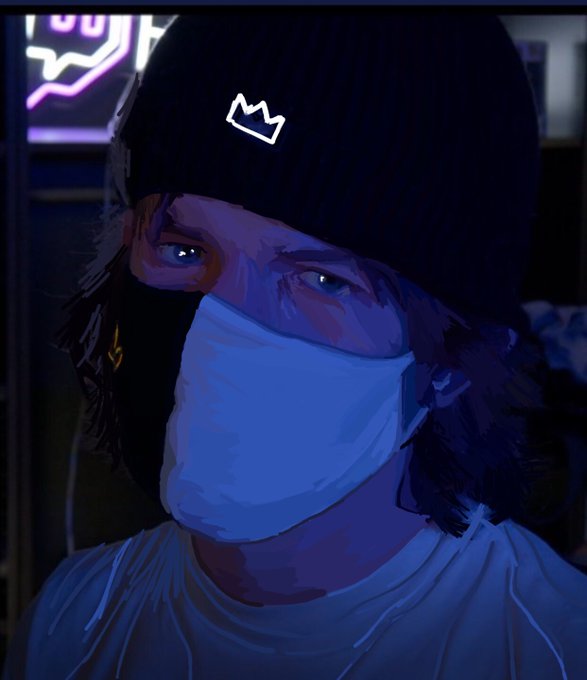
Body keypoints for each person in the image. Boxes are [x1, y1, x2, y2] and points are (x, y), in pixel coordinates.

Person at [4, 12, 587, 680]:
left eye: (322, 280)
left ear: (449, 360)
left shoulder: (553, 651)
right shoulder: (72, 624)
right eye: (185, 249)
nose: (223, 324)